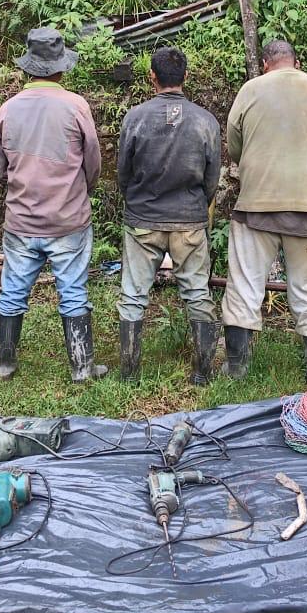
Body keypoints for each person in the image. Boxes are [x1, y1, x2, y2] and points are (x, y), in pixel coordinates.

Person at [221, 39, 307, 384]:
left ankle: (237, 367)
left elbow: (235, 145)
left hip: (257, 207)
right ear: (296, 62)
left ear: (264, 63)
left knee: (244, 284)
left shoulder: (251, 89)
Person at [0, 28, 106, 382]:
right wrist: (79, 192)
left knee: (12, 291)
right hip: (67, 219)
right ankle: (82, 367)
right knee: (72, 291)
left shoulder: (7, 109)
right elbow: (93, 164)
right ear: (61, 68)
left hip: (22, 220)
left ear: (28, 67)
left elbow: (2, 166)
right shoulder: (75, 106)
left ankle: (5, 364)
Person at [116, 47, 221, 384]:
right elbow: (211, 177)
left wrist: (136, 201)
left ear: (152, 77)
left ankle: (130, 374)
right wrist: (196, 206)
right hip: (189, 220)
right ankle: (202, 373)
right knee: (197, 292)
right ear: (185, 77)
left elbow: (123, 172)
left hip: (143, 219)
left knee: (133, 295)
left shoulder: (135, 117)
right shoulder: (206, 121)